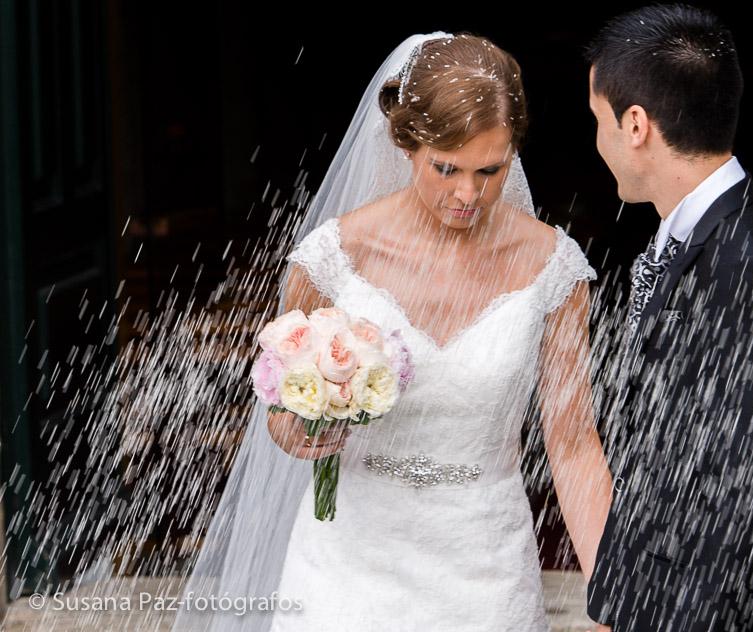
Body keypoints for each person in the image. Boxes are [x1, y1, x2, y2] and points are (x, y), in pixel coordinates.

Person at [171, 32, 612, 632]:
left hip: (486, 568)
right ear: (406, 143)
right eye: (446, 168)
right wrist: (297, 428)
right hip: (344, 570)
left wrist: (614, 597)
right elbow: (276, 408)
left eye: (490, 168)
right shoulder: (332, 258)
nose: (468, 194)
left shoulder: (553, 269)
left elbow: (574, 444)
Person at [582, 6, 753, 631]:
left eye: (597, 121)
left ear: (635, 124)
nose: (597, 143)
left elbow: (743, 484)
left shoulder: (747, 257)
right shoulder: (694, 236)